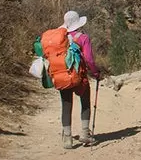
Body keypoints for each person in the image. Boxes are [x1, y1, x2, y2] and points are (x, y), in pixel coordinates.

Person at [39, 10, 102, 149]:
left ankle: (67, 139)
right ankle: (85, 134)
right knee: (85, 103)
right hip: (80, 77)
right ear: (78, 23)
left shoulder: (60, 38)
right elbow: (89, 60)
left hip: (62, 75)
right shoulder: (83, 37)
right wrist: (96, 73)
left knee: (66, 106)